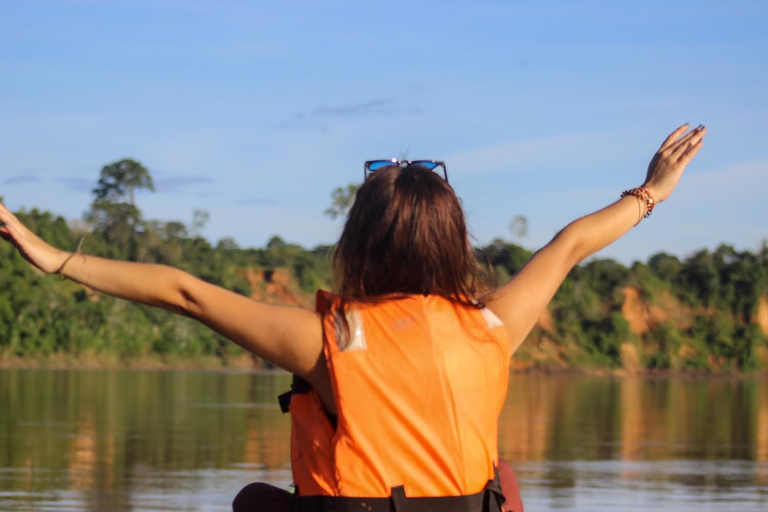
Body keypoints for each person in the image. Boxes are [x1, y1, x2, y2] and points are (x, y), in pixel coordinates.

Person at [0, 124, 705, 512]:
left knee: (251, 502)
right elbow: (571, 244)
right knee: (506, 481)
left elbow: (186, 293)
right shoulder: (494, 326)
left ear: (361, 240)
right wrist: (652, 191)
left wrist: (56, 257)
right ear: (451, 240)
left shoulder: (330, 339)